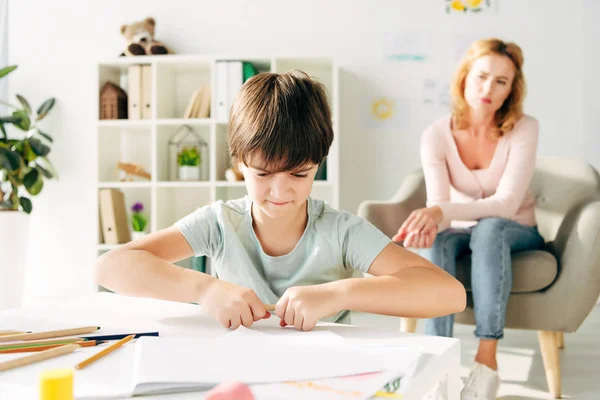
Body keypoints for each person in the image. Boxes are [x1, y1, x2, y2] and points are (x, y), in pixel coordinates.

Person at [94, 70, 465, 333]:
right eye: (263, 174)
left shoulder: (340, 231)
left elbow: (449, 295)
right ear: (239, 163)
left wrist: (337, 294)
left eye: (299, 175)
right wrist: (205, 289)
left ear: (318, 165)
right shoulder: (220, 223)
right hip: (240, 372)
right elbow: (109, 268)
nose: (281, 192)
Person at [393, 38, 545, 400]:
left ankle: (487, 361)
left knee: (490, 228)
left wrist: (440, 212)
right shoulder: (436, 134)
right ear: (464, 77)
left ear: (512, 89)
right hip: (464, 231)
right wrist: (426, 228)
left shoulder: (524, 128)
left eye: (501, 82)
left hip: (516, 229)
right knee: (442, 241)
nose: (488, 89)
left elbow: (506, 205)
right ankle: (436, 359)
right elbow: (440, 205)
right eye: (481, 77)